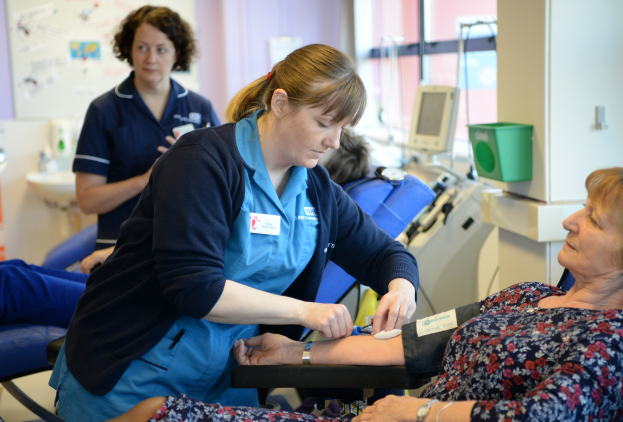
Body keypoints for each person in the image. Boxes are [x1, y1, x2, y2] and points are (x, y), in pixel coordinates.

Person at [113, 161, 623, 422]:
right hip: (374, 416)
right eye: (582, 207)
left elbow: (547, 416)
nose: (570, 221)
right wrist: (295, 354)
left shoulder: (614, 338)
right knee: (152, 411)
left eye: (594, 219)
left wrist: (421, 411)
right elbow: (413, 345)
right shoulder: (528, 295)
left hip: (404, 418)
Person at [50, 43, 419, 422]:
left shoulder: (318, 191)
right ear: (280, 103)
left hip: (229, 376)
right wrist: (306, 312)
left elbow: (386, 255)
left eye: (343, 128)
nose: (335, 142)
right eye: (324, 123)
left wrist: (400, 289)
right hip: (133, 367)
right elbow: (195, 288)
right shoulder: (202, 161)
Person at [73, 5, 221, 251]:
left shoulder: (200, 108)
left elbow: (222, 182)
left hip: (185, 245)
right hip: (120, 248)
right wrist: (145, 180)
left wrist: (193, 164)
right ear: (129, 50)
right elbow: (87, 201)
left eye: (161, 50)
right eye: (142, 47)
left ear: (177, 54)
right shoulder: (104, 110)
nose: (151, 59)